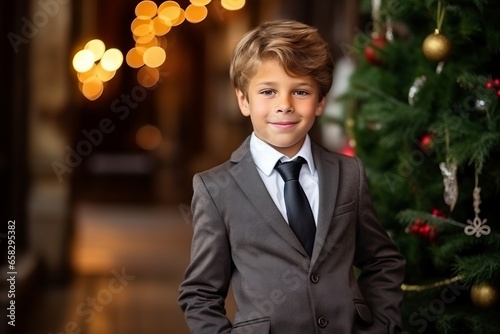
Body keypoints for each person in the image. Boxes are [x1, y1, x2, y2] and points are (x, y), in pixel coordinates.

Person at [178, 19, 405, 334]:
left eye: (300, 91)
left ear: (321, 101)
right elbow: (200, 292)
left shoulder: (349, 173)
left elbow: (382, 261)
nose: (284, 106)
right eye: (268, 91)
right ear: (243, 100)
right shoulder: (216, 188)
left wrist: (382, 325)